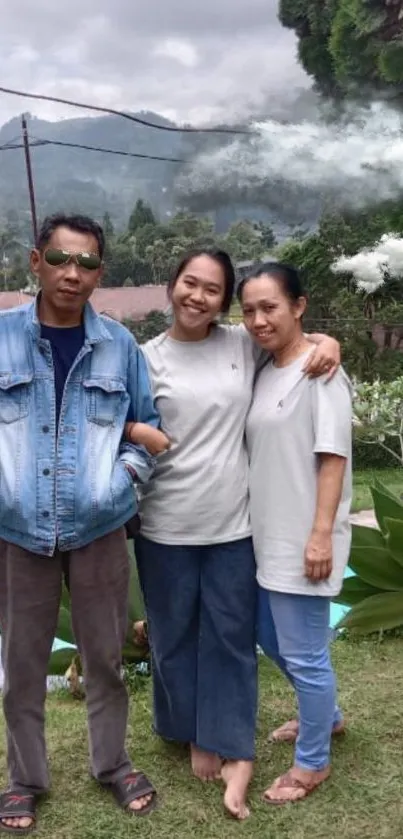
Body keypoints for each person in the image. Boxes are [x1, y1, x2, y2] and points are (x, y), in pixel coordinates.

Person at [127, 247, 341, 820]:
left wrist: (327, 342)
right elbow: (107, 412)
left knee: (228, 635)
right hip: (164, 523)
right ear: (171, 287)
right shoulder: (142, 356)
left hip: (232, 525)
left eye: (213, 290)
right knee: (173, 637)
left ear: (224, 302)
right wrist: (138, 429)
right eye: (189, 284)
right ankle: (187, 728)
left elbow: (290, 340)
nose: (198, 296)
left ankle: (227, 741)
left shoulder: (241, 345)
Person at [0, 213, 160, 834]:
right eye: (61, 259)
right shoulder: (4, 337)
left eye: (88, 262)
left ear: (101, 271)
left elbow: (145, 429)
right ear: (35, 261)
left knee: (106, 657)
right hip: (17, 531)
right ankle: (24, 779)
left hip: (99, 529)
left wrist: (119, 481)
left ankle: (113, 764)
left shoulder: (120, 346)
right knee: (21, 663)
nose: (74, 273)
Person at [239, 262, 352, 806]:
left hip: (305, 536)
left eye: (271, 307)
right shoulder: (266, 368)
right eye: (250, 310)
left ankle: (313, 764)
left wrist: (321, 535)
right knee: (269, 634)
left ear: (299, 306)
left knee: (306, 655)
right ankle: (325, 716)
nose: (259, 320)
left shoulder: (320, 369)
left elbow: (332, 457)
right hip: (267, 536)